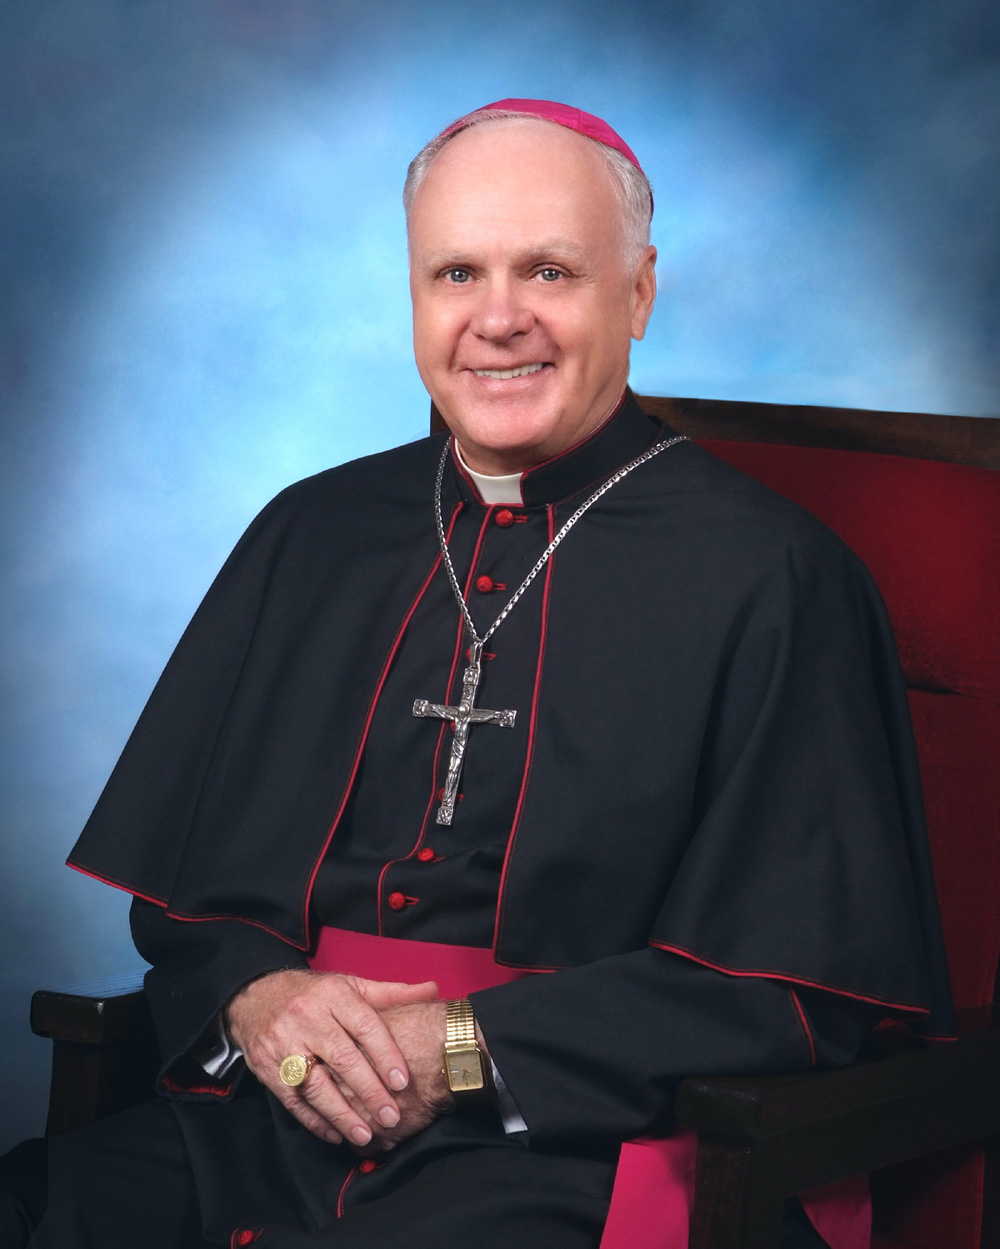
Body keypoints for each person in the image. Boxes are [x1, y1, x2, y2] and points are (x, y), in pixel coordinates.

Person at [2, 99, 953, 1249]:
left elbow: (794, 991)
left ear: (638, 292)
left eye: (549, 270)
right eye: (456, 273)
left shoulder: (777, 575)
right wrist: (258, 996)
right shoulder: (313, 532)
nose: (498, 320)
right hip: (270, 1111)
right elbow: (191, 900)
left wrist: (459, 1050)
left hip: (583, 1148)